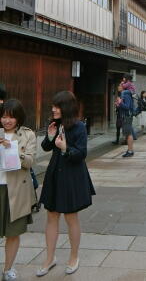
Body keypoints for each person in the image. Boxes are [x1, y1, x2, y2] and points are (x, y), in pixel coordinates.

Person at [37, 91, 95, 277]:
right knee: (51, 216)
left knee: (71, 217)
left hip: (72, 175)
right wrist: (50, 135)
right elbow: (46, 147)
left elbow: (81, 154)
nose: (53, 109)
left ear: (67, 108)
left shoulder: (79, 127)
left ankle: (74, 257)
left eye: (57, 106)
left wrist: (65, 148)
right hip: (55, 173)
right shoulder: (56, 124)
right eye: (53, 106)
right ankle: (50, 258)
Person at [0, 99, 36, 281]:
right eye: (4, 116)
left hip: (16, 191)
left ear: (18, 118)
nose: (7, 121)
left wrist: (12, 149)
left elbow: (29, 162)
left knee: (13, 233)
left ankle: (8, 269)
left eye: (11, 117)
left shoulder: (27, 135)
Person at [117, 83, 136, 157]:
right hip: (125, 116)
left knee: (128, 134)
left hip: (127, 116)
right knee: (128, 134)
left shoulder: (126, 95)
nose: (118, 86)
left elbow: (127, 107)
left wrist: (120, 102)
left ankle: (130, 151)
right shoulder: (123, 94)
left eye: (120, 85)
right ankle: (130, 150)